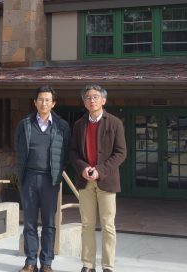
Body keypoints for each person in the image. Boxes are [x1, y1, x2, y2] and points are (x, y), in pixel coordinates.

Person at [69, 84, 126, 272]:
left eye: (95, 97)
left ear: (103, 100)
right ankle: (88, 264)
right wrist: (83, 168)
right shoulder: (79, 125)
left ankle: (108, 266)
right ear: (84, 102)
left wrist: (100, 170)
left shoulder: (115, 123)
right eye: (88, 97)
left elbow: (121, 153)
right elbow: (73, 152)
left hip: (107, 181)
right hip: (85, 182)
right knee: (87, 224)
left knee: (108, 225)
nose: (91, 100)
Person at [14, 85, 71, 272]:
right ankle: (30, 261)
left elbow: (66, 152)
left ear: (53, 103)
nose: (44, 102)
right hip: (29, 177)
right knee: (29, 222)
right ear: (35, 102)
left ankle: (46, 263)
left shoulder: (62, 126)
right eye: (40, 99)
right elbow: (18, 146)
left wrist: (57, 171)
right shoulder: (25, 124)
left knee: (49, 223)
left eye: (48, 100)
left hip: (50, 180)